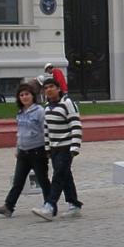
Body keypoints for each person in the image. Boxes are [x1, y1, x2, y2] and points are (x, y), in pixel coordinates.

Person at [0, 83, 52, 217]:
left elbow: (46, 130)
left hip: (37, 151)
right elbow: (20, 132)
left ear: (33, 96)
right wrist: (17, 148)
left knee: (43, 180)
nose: (24, 97)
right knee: (18, 181)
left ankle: (50, 205)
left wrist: (48, 149)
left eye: (27, 94)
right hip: (23, 152)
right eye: (21, 95)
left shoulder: (40, 111)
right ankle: (8, 206)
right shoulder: (20, 113)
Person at [32, 77, 83, 220]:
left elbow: (76, 125)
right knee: (66, 176)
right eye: (46, 87)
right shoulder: (47, 107)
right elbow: (46, 129)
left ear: (58, 88)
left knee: (58, 176)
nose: (48, 90)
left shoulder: (67, 103)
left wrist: (75, 145)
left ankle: (49, 205)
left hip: (66, 147)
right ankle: (74, 204)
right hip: (54, 148)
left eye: (51, 87)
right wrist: (47, 147)